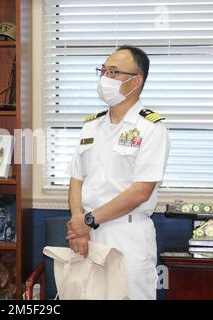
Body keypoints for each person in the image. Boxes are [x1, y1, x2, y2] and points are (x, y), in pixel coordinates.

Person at [66, 45, 170, 300]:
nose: (105, 78)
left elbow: (140, 192)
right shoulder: (91, 125)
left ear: (136, 81)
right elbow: (76, 180)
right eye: (103, 71)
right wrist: (80, 225)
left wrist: (87, 221)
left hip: (128, 235)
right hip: (87, 236)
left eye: (113, 72)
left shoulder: (152, 127)